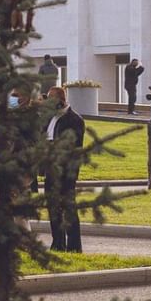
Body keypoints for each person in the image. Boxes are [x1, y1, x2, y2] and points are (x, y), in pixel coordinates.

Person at [45, 86, 86, 252]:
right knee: (53, 207)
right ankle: (58, 243)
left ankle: (74, 246)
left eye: (51, 98)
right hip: (51, 169)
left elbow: (72, 145)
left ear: (61, 101)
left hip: (66, 171)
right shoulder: (50, 118)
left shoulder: (74, 119)